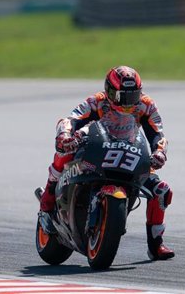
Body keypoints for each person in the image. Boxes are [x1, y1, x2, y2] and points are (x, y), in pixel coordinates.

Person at [38, 65, 175, 260]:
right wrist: (65, 135)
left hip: (130, 155)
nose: (127, 102)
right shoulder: (97, 102)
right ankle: (50, 191)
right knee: (65, 150)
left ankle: (156, 245)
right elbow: (71, 118)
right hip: (96, 149)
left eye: (133, 95)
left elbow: (158, 135)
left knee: (161, 190)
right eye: (121, 96)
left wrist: (159, 152)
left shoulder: (146, 105)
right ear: (110, 92)